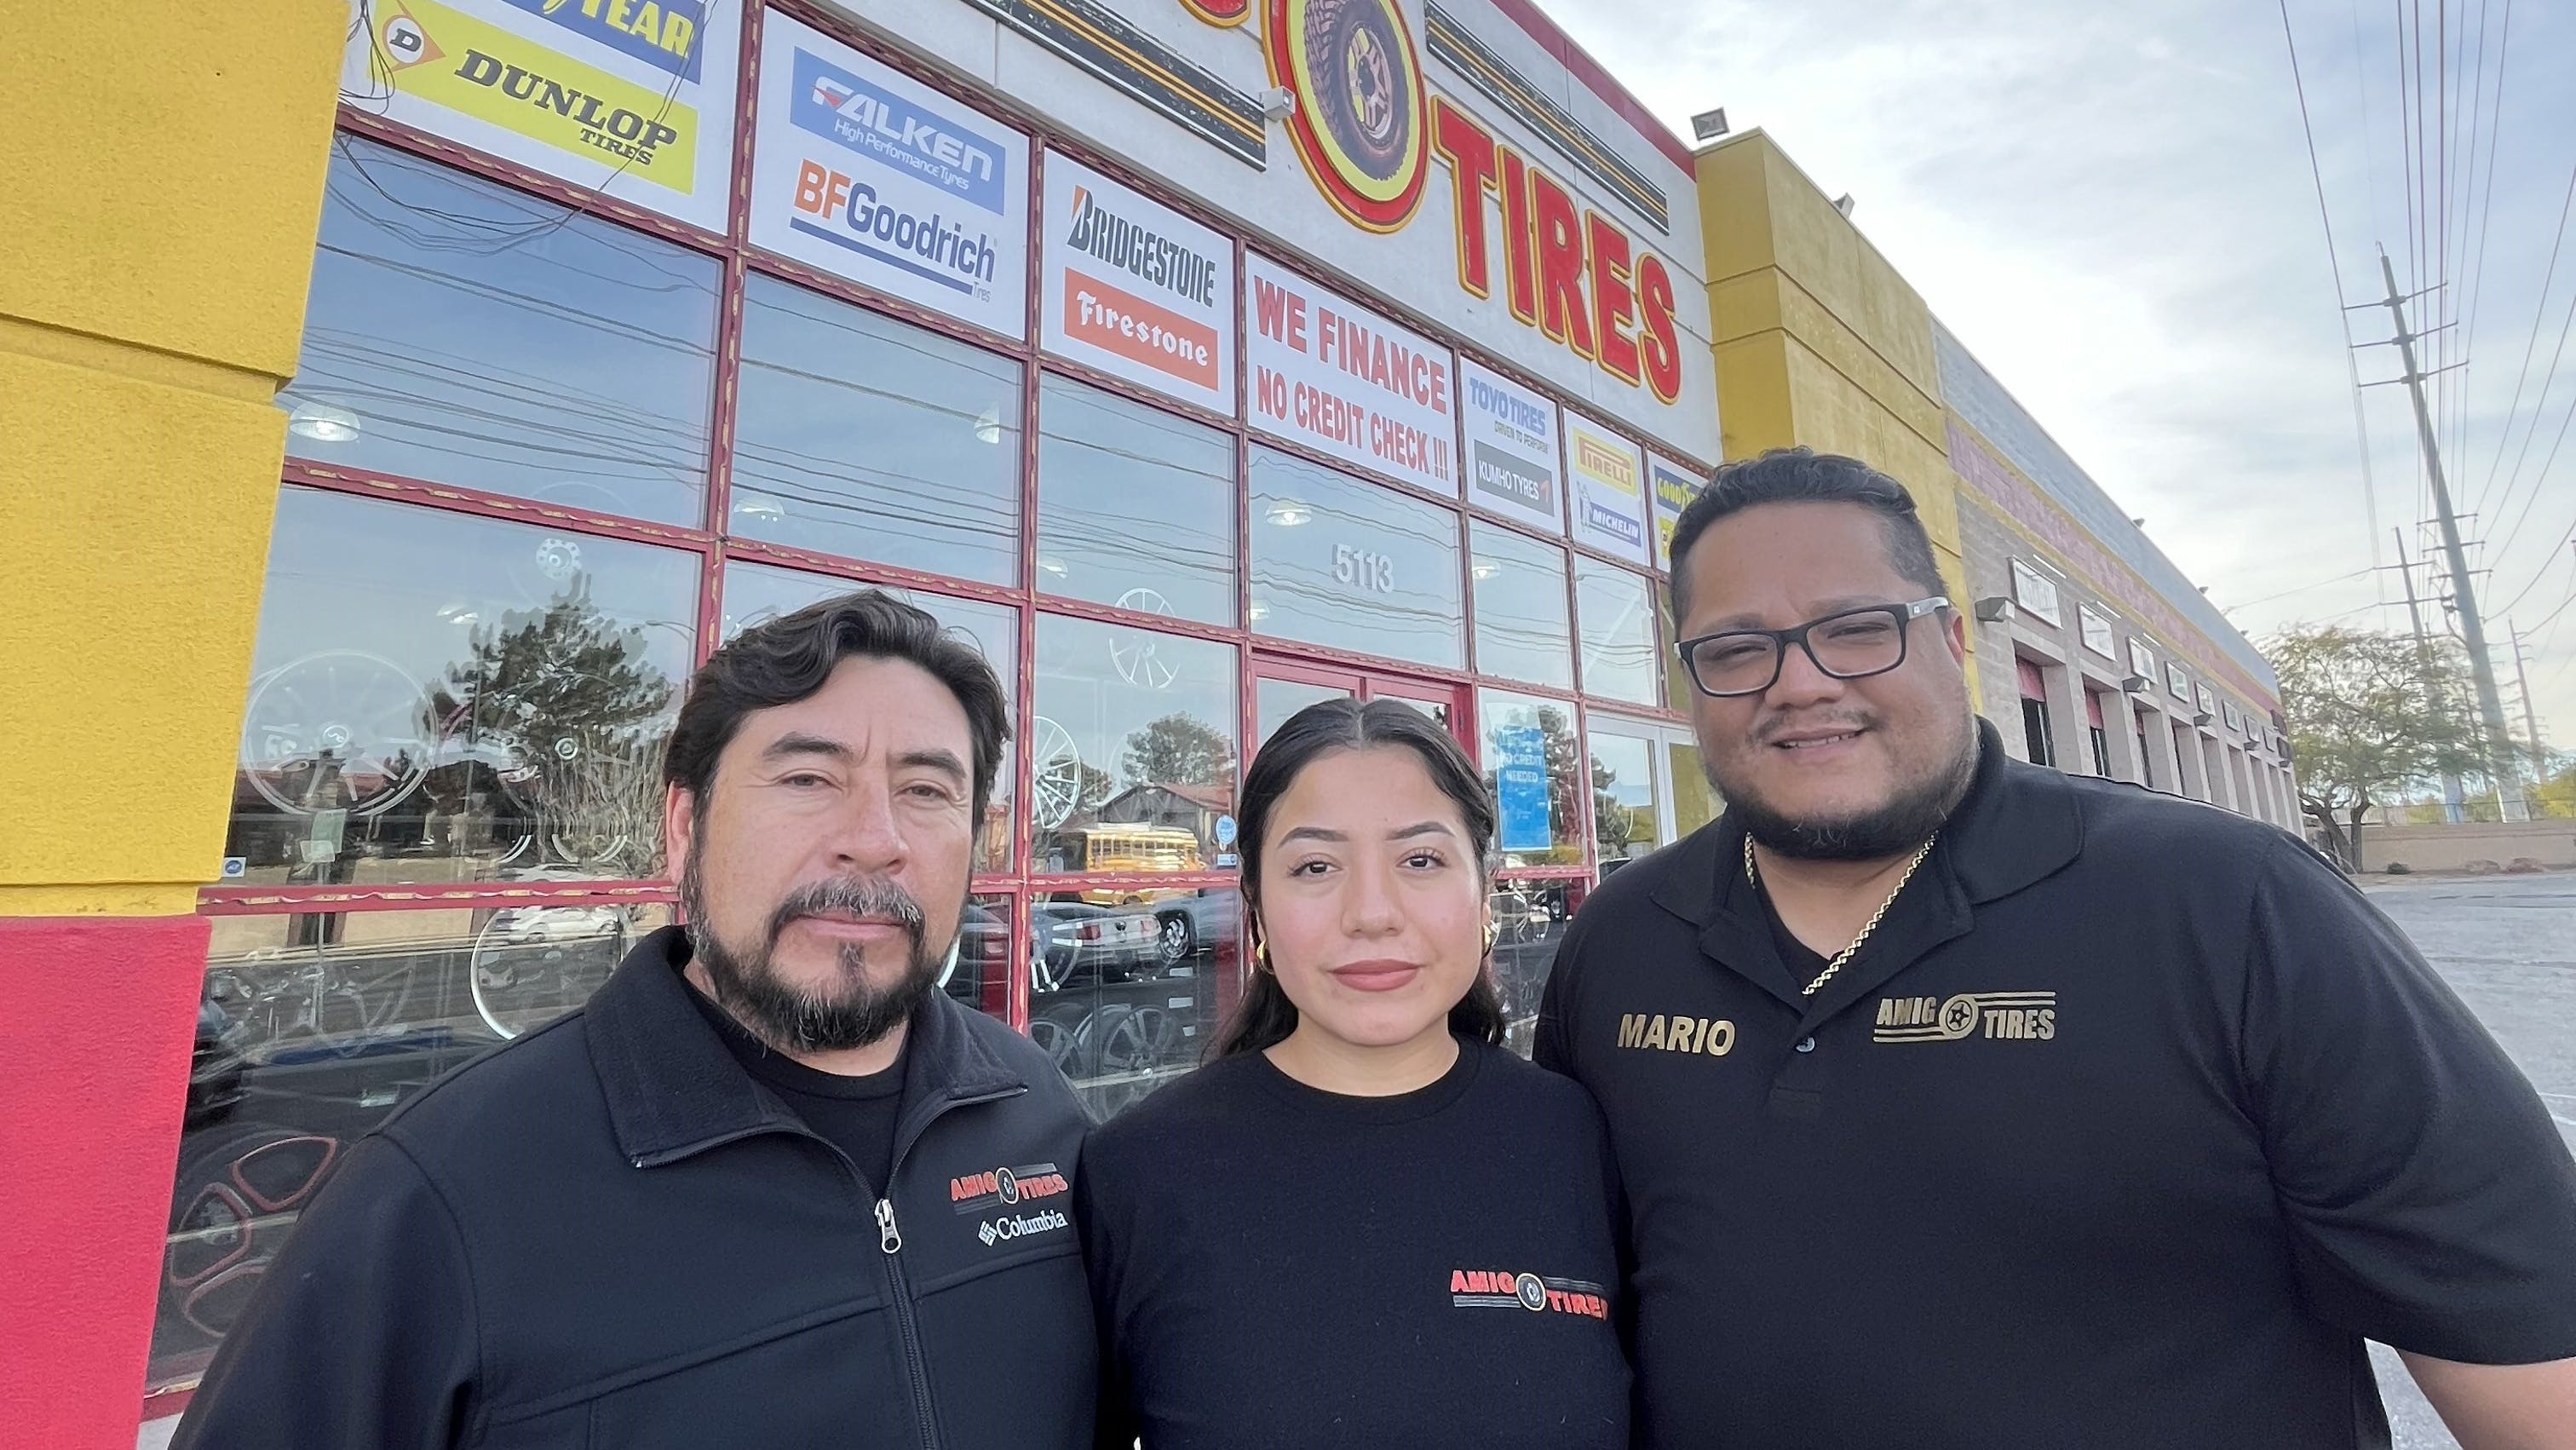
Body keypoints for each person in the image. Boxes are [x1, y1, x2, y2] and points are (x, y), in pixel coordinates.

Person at [1538, 447, 2576, 1450]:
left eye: (1856, 630)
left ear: (1953, 640)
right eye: (1735, 650)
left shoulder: (2231, 906)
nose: (1800, 682)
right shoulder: (1619, 942)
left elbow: (2529, 1358)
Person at [177, 591, 1095, 1449]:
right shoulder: (444, 1193)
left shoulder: (1037, 1118)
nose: (875, 838)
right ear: (685, 826)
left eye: (927, 791)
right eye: (809, 776)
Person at [1081, 699, 1629, 1450]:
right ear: (1256, 909)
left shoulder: (1579, 1140)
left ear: (1485, 891)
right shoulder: (1138, 1172)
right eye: (1315, 866)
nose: (1372, 913)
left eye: (1421, 860)